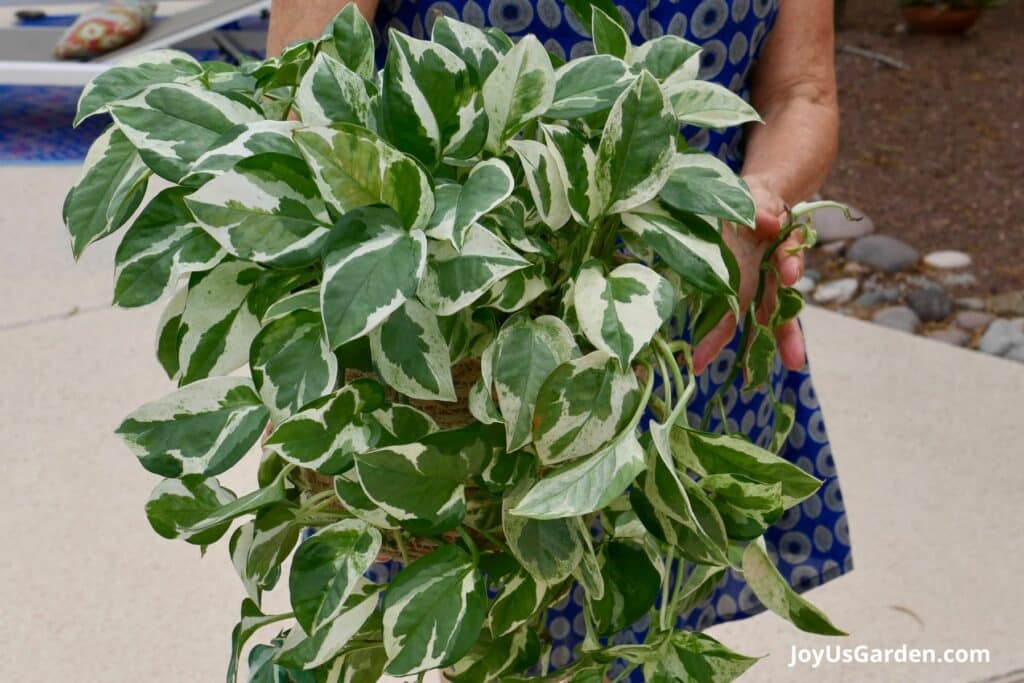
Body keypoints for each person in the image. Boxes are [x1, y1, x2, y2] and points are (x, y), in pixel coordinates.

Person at [269, 0, 852, 678]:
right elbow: (300, 94)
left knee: (642, 626)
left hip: (683, 339)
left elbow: (799, 94)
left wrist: (758, 198)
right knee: (467, 634)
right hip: (461, 361)